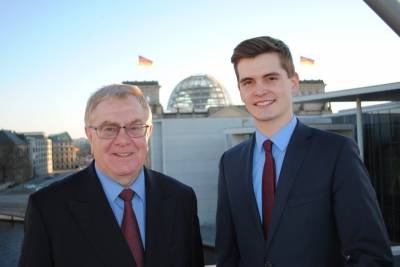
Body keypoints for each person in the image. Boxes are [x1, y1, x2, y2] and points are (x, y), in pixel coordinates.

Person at [215, 36, 393, 267]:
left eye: (270, 78)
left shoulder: (336, 153)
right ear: (240, 90)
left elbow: (372, 256)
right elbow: (227, 256)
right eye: (248, 82)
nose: (259, 90)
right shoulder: (230, 162)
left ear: (293, 82)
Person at [19, 84, 204, 267]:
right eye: (109, 129)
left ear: (148, 132)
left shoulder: (182, 200)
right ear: (90, 135)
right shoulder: (47, 208)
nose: (123, 140)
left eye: (135, 127)